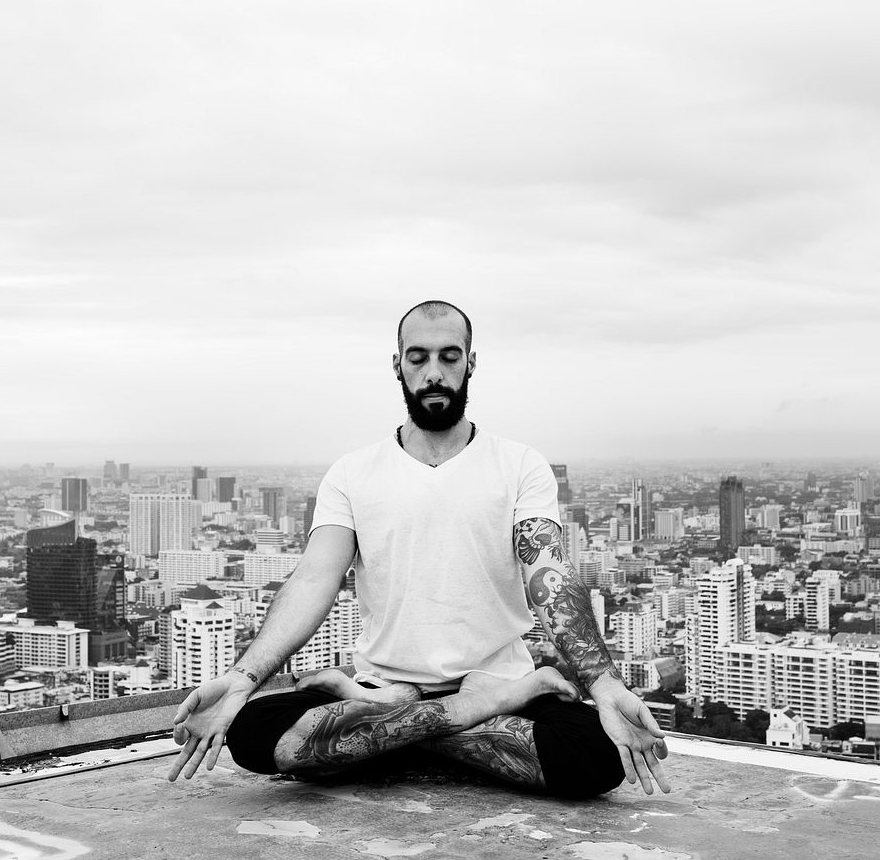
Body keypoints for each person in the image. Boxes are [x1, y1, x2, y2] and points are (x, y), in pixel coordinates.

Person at [168, 300, 669, 799]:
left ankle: (392, 728)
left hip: (492, 681)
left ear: (471, 363)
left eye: (450, 357)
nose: (434, 373)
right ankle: (461, 713)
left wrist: (604, 685)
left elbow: (548, 574)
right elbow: (314, 579)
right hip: (389, 685)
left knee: (597, 756)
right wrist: (242, 679)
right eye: (418, 357)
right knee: (253, 732)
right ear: (397, 365)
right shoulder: (353, 472)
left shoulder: (518, 464)